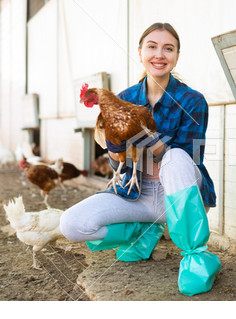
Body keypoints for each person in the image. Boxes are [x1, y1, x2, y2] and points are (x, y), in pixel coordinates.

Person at [60, 22, 221, 296]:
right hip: (137, 191)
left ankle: (196, 256)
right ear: (140, 52)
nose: (159, 54)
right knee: (72, 224)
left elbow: (189, 158)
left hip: (179, 191)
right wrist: (114, 149)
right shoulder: (124, 98)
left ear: (177, 56)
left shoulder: (193, 100)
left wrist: (144, 137)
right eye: (152, 47)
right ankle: (141, 231)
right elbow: (117, 163)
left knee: (176, 157)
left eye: (168, 48)